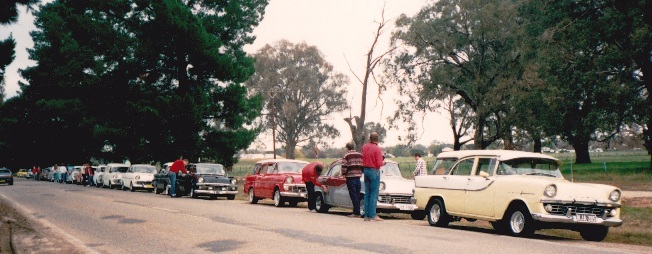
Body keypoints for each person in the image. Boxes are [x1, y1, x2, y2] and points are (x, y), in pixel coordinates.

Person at [362, 132, 384, 221]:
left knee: (367, 193)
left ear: (369, 138)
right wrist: (383, 162)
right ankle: (372, 215)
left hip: (366, 170)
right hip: (374, 170)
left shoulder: (364, 147)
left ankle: (366, 215)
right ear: (377, 139)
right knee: (374, 193)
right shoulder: (377, 149)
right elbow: (379, 163)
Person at [341, 142, 363, 218]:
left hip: (350, 177)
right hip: (358, 177)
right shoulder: (360, 155)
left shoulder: (347, 156)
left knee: (353, 195)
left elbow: (344, 166)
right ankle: (357, 211)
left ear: (347, 148)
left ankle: (356, 212)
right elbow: (363, 165)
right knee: (357, 195)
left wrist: (343, 174)